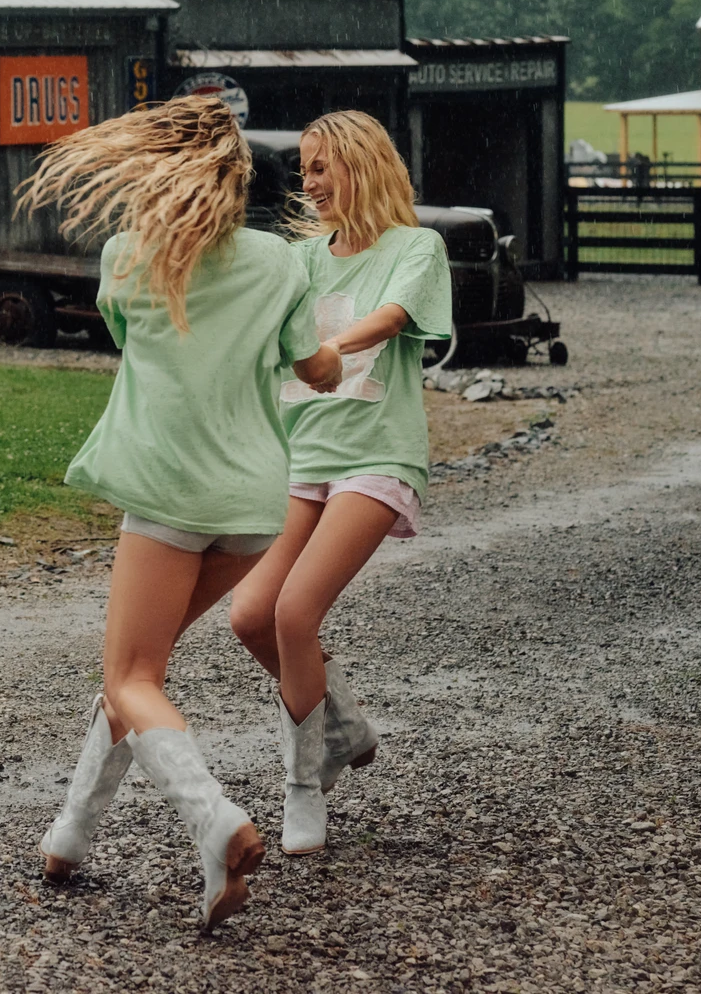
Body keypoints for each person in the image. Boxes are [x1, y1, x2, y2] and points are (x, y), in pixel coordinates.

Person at [23, 96, 343, 931]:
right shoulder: (281, 262)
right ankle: (69, 837)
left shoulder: (130, 256)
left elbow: (130, 338)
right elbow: (309, 365)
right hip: (253, 505)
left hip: (170, 493)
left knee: (129, 678)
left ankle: (215, 821)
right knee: (138, 670)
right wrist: (331, 365)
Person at [229, 110, 453, 857]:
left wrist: (327, 351)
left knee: (296, 612)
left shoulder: (415, 247)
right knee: (251, 616)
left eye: (322, 167)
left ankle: (303, 786)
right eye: (305, 170)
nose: (311, 182)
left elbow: (389, 318)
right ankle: (345, 725)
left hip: (377, 456)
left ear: (362, 164)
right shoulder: (299, 259)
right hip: (303, 457)